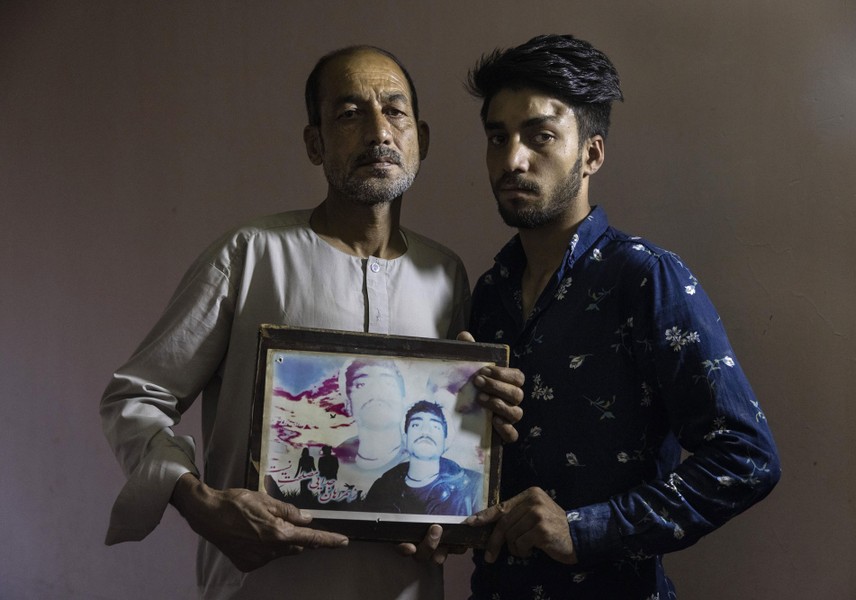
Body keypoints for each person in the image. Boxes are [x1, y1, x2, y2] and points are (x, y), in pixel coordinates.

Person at [100, 45, 524, 600]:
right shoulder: (250, 256)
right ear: (314, 143)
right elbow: (134, 398)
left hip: (406, 587)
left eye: (394, 112)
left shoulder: (445, 274)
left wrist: (489, 409)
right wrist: (199, 502)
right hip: (261, 586)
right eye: (350, 114)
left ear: (421, 137)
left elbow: (454, 444)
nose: (379, 132)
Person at [461, 34, 781, 598]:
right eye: (497, 138)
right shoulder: (489, 293)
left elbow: (747, 457)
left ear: (591, 154)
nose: (512, 159)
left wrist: (582, 529)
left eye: (540, 136)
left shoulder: (644, 277)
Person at [365, 401, 482, 516]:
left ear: (444, 441)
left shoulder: (475, 486)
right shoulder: (381, 489)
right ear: (405, 439)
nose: (425, 431)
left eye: (435, 426)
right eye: (416, 425)